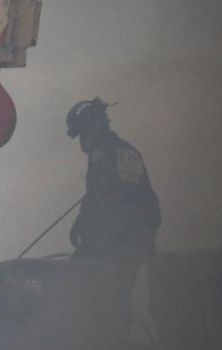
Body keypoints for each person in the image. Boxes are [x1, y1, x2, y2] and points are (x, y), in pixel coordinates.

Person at [65, 99, 161, 280]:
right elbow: (145, 199)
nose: (82, 141)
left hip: (115, 247)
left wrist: (86, 237)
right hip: (140, 242)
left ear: (92, 127)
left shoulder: (101, 154)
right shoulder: (129, 150)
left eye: (82, 134)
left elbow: (102, 201)